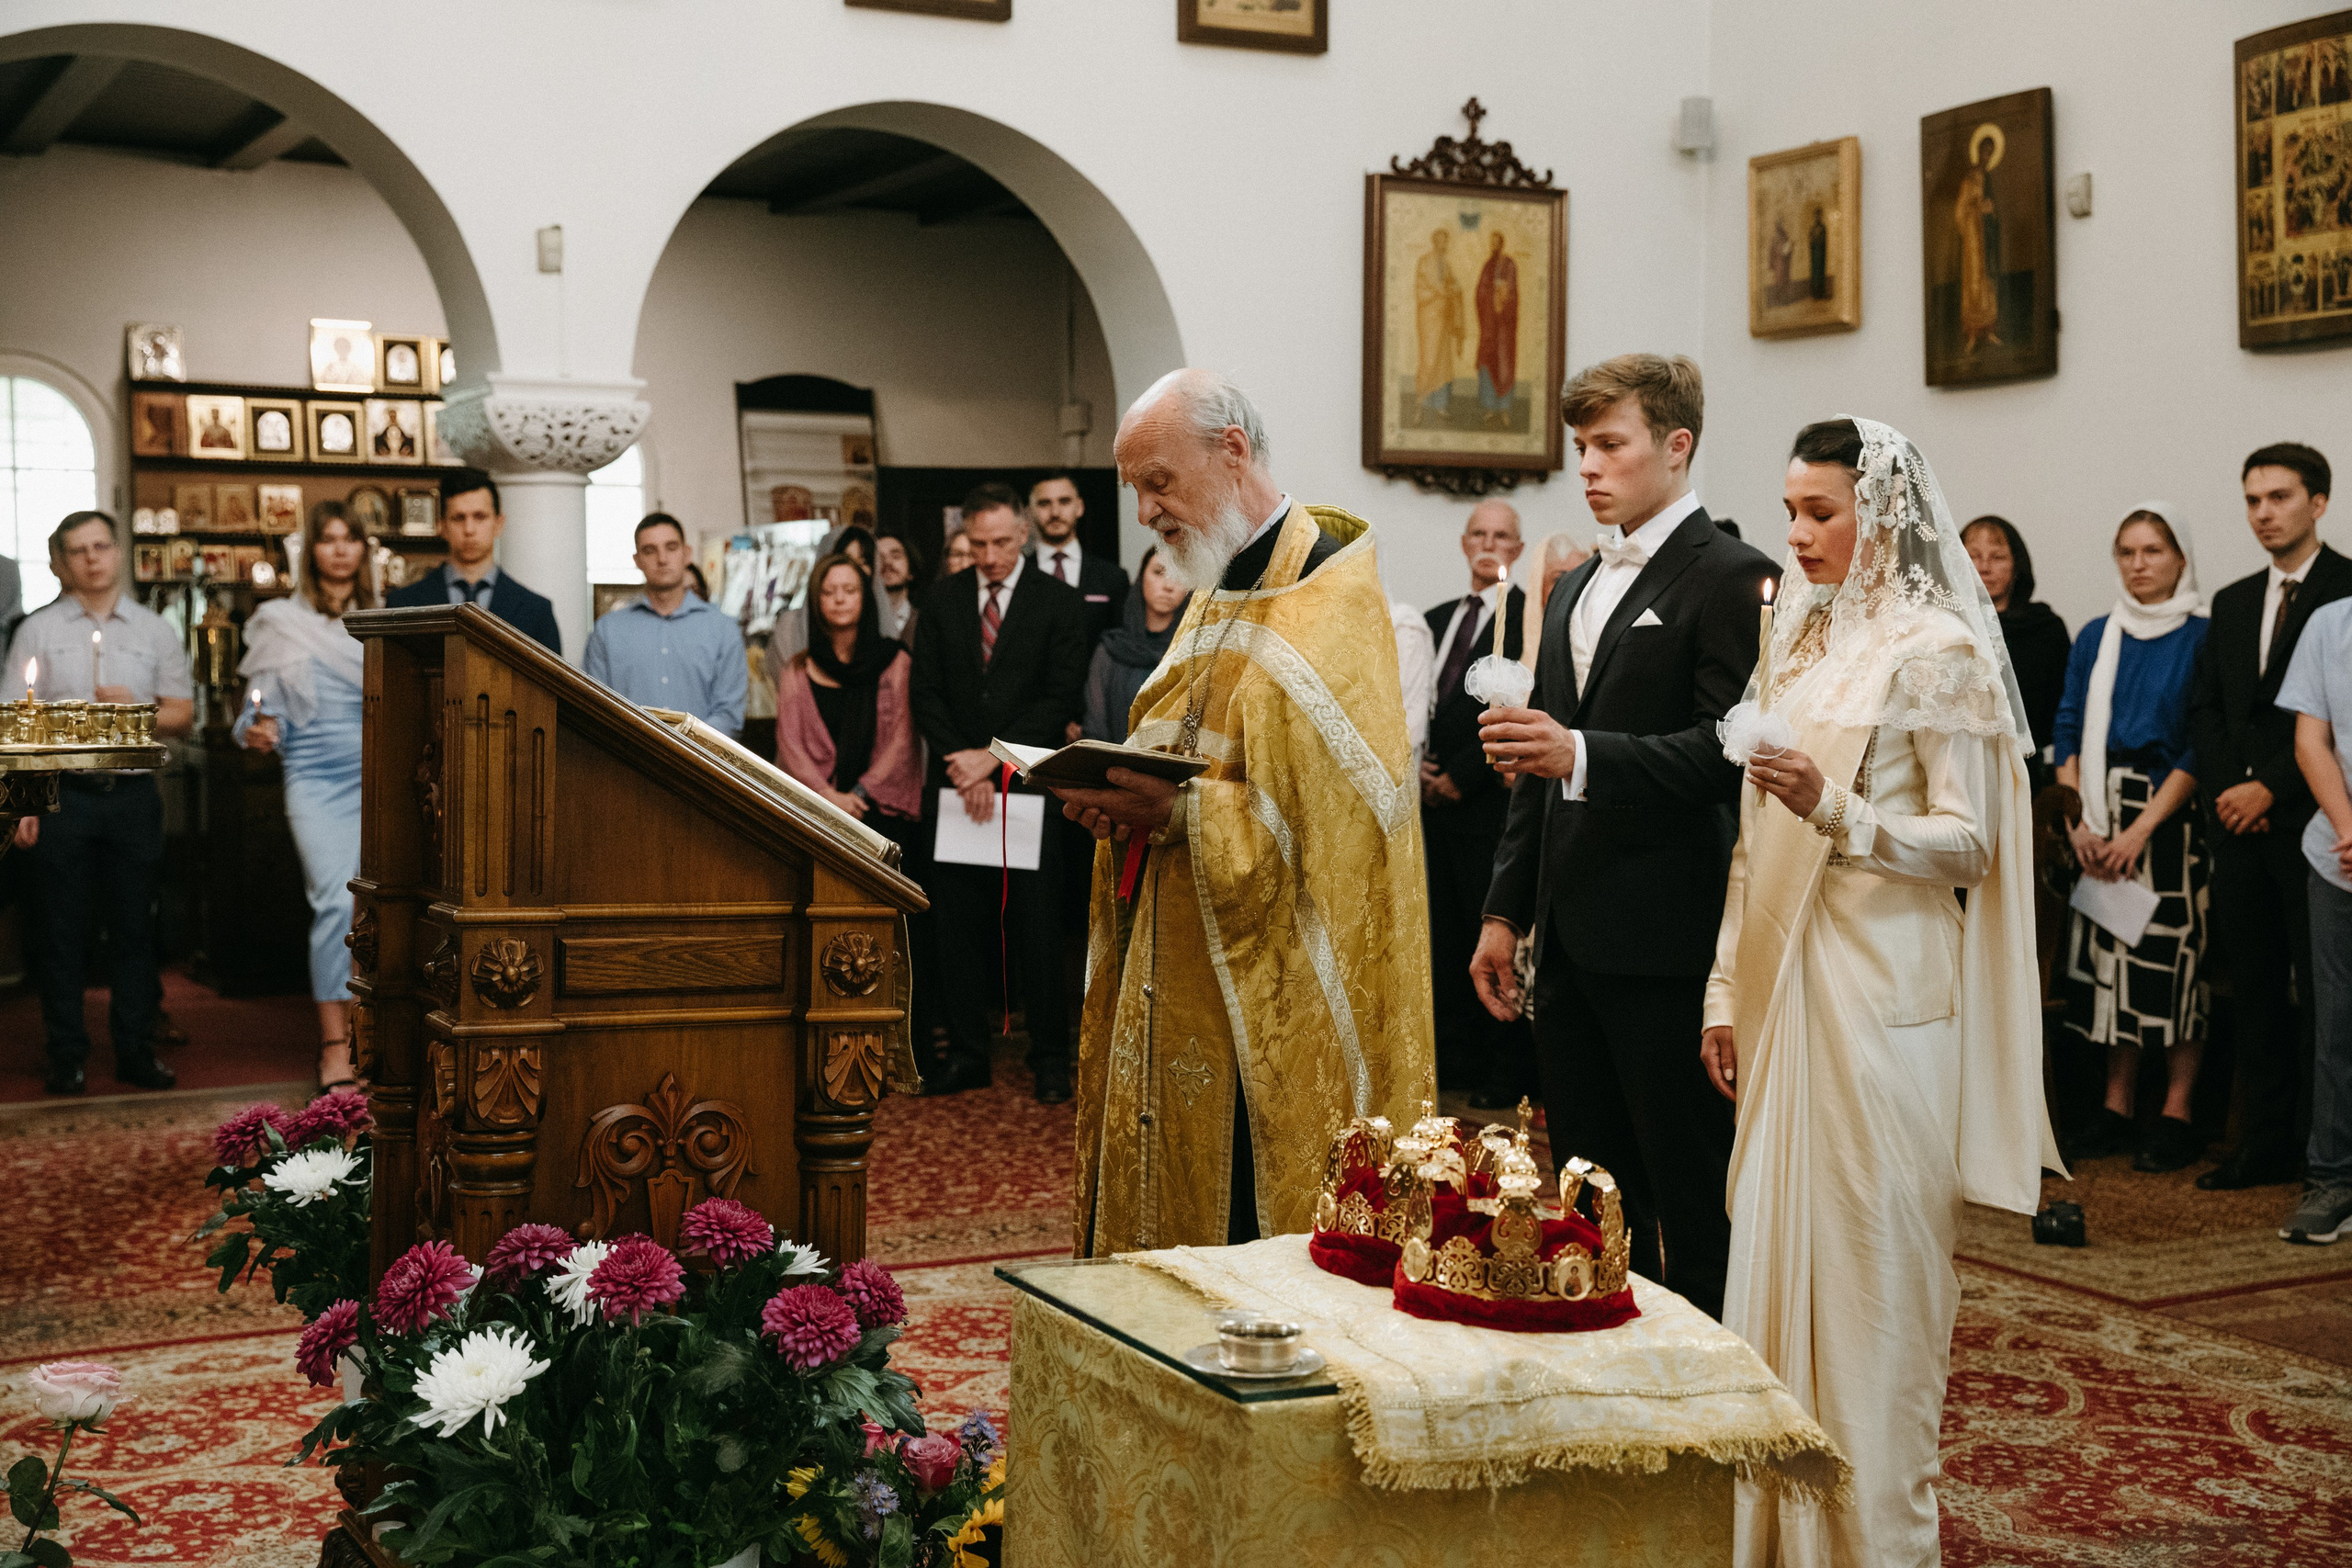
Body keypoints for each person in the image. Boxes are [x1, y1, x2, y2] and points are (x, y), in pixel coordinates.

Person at [1704, 418, 2056, 1565]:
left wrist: (1837, 811)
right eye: (1790, 511)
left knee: (1875, 1284)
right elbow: (1753, 837)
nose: (1796, 536)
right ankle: (1770, 1535)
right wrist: (1722, 990)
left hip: (1884, 1001)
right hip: (1782, 985)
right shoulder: (1795, 641)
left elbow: (1969, 848)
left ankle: (1873, 1542)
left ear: (1882, 517)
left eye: (1820, 513)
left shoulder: (1935, 647)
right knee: (1767, 1259)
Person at [1047, 368, 1436, 1253]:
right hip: (1174, 938)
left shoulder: (1331, 591)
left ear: (1231, 451)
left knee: (1244, 1226)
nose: (1145, 512)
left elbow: (1344, 827)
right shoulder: (1216, 585)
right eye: (1135, 489)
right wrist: (1120, 799)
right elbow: (1184, 736)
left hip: (1269, 981)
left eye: (1158, 482)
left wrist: (1184, 815)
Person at [1470, 354, 1775, 1320]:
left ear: (1676, 446)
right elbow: (1536, 769)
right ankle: (1606, 1363)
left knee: (1686, 1184)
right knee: (1587, 1187)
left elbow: (1728, 751)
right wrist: (1503, 911)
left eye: (1611, 445)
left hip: (1666, 932)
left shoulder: (1732, 576)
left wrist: (1584, 755)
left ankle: (1708, 1379)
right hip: (1568, 935)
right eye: (1580, 449)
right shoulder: (1570, 588)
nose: (1589, 468)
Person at [2188, 443, 2352, 1190]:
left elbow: (2331, 726)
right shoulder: (2229, 600)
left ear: (2318, 502)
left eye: (2279, 498)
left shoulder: (2346, 590)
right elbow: (2211, 711)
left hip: (2313, 823)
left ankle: (2325, 1145)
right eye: (2253, 499)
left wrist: (2269, 791)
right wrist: (2232, 791)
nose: (2263, 513)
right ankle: (2263, 1142)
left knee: (2324, 996)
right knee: (2253, 985)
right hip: (2237, 825)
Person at [908, 482, 1087, 1101]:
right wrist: (963, 764)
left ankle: (1051, 1057)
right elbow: (924, 691)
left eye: (1002, 543)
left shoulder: (1058, 603)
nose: (989, 555)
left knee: (1035, 925)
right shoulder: (941, 599)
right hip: (955, 783)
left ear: (1023, 535)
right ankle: (965, 1053)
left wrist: (993, 759)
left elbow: (1059, 697)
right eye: (978, 544)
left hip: (1025, 785)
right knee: (955, 926)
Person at [6, 512, 195, 1094]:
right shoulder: (35, 630)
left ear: (118, 552)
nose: (91, 558)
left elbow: (184, 715)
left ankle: (136, 1050)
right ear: (62, 561)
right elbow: (18, 722)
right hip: (62, 798)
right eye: (77, 550)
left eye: (100, 546)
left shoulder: (154, 630)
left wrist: (134, 709)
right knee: (60, 931)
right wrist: (24, 804)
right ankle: (66, 1054)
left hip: (132, 798)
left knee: (135, 929)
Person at [2052, 507, 2211, 1172]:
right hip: (2097, 806)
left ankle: (2177, 1110)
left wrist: (2143, 829)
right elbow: (2065, 726)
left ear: (2180, 558)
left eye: (2152, 550)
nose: (2138, 563)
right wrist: (2078, 821)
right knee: (2111, 964)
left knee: (2171, 965)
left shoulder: (2204, 635)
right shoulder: (2097, 634)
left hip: (2168, 816)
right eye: (2126, 551)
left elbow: (2204, 744)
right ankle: (2116, 1105)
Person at [235, 501, 376, 1098]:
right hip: (315, 779)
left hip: (382, 780)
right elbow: (254, 708)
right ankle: (334, 1044)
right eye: (328, 539)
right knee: (334, 905)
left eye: (351, 539)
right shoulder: (279, 621)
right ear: (310, 551)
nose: (340, 549)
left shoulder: (385, 617)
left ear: (364, 550)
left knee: (379, 912)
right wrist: (256, 728)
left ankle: (374, 1035)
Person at [1424, 501, 1532, 1110]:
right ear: (1464, 542)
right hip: (1433, 809)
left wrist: (1464, 777)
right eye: (1480, 534)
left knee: (1489, 934)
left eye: (1503, 536)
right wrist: (1422, 768)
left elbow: (1518, 705)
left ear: (1517, 548)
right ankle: (1456, 1060)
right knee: (1443, 936)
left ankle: (1502, 1069)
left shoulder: (1526, 620)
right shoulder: (1438, 619)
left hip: (1488, 806)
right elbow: (1422, 702)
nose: (1490, 544)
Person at [2280, 596, 2352, 1243]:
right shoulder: (2330, 624)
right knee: (2336, 1022)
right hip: (2339, 858)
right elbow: (2311, 739)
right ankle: (2331, 1179)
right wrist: (2351, 828)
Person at [775, 552, 922, 840]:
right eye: (828, 592)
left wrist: (858, 793)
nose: (839, 599)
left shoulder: (895, 661)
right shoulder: (797, 669)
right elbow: (789, 744)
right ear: (816, 601)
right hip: (816, 813)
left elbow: (902, 739)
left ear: (865, 597)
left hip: (880, 812)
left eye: (850, 590)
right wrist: (827, 796)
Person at [582, 513, 748, 737]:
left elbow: (729, 714)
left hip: (701, 765)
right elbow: (595, 708)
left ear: (686, 554)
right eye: (649, 551)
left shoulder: (723, 629)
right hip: (628, 762)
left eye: (671, 547)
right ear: (637, 560)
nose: (662, 559)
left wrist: (684, 749)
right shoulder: (607, 631)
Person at [384, 471, 563, 654]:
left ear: (499, 524)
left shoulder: (537, 611)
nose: (469, 529)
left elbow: (552, 682)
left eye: (480, 517)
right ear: (442, 527)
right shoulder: (402, 605)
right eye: (458, 518)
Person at [1963, 514, 2071, 787]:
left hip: (2027, 770)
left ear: (2016, 565)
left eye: (1997, 557)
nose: (1984, 568)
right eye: (1973, 556)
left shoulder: (2046, 628)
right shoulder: (1945, 627)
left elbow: (2062, 712)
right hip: (1961, 767)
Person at [1080, 546, 1187, 745]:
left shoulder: (1192, 652)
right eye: (1159, 572)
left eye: (1179, 576)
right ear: (1141, 577)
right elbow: (1094, 730)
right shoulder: (1111, 649)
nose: (1168, 586)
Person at [1029, 474, 1129, 657]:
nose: (1055, 512)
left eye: (1064, 501)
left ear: (1079, 507)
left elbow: (1122, 645)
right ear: (1031, 512)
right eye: (1044, 503)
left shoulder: (1113, 577)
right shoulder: (1017, 574)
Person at [1474, 231, 1520, 426]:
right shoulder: (1488, 265)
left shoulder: (1509, 264)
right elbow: (1480, 291)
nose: (1494, 246)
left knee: (1504, 364)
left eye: (1496, 242)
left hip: (1505, 328)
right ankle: (1490, 407)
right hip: (1490, 325)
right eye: (1491, 242)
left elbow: (1514, 292)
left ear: (1502, 243)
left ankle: (1505, 409)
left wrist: (1504, 298)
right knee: (1487, 360)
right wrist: (1491, 295)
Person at [875, 533, 922, 641]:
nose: (887, 562)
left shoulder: (926, 622)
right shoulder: (860, 625)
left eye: (896, 556)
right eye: (879, 558)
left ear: (910, 570)